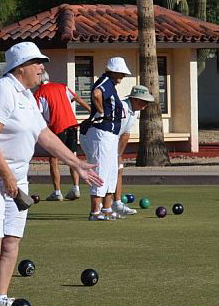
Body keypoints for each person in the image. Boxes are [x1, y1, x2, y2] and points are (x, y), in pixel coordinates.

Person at [0, 42, 101, 306]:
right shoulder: (2, 90)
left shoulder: (26, 96)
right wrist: (7, 177)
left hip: (15, 176)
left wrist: (76, 163)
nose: (42, 67)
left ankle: (1, 298)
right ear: (20, 66)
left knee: (11, 240)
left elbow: (44, 134)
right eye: (37, 62)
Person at [79, 57, 131, 221]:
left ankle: (107, 209)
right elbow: (96, 94)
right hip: (101, 132)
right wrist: (101, 112)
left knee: (110, 172)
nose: (122, 77)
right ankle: (95, 212)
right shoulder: (106, 82)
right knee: (101, 170)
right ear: (112, 71)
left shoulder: (111, 84)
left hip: (110, 134)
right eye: (120, 73)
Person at [34, 71, 91, 201]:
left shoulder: (39, 94)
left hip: (57, 128)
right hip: (72, 125)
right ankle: (76, 188)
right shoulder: (62, 86)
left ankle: (57, 192)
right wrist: (92, 112)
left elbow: (36, 114)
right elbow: (77, 98)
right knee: (72, 157)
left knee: (53, 160)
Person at [111, 85, 155, 217]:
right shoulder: (122, 107)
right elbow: (110, 129)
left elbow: (126, 134)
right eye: (143, 101)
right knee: (106, 173)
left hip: (113, 141)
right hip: (102, 139)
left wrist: (118, 155)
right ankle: (103, 207)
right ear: (135, 99)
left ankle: (117, 204)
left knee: (119, 168)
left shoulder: (135, 111)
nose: (146, 104)